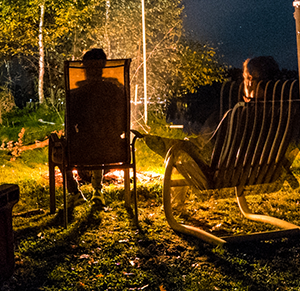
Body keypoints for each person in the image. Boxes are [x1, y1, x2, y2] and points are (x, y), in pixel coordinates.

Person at [138, 56, 281, 162]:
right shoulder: (280, 112)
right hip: (262, 166)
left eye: (246, 77)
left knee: (181, 158)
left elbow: (213, 149)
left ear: (253, 82)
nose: (244, 83)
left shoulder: (240, 115)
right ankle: (182, 145)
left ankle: (176, 146)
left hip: (223, 166)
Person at [63, 48, 128, 197]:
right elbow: (122, 125)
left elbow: (70, 127)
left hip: (82, 150)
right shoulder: (117, 91)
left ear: (84, 67)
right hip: (114, 149)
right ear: (104, 67)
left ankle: (74, 191)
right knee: (100, 139)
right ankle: (97, 189)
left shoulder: (76, 94)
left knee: (58, 149)